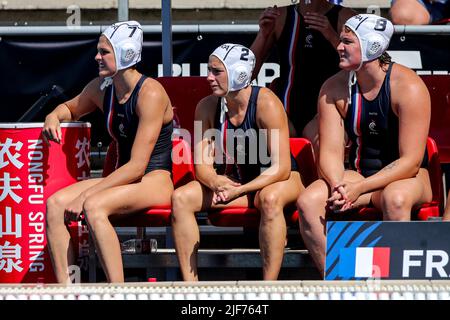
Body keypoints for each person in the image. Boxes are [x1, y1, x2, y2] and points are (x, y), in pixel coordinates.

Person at [296, 14, 432, 276]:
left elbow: (411, 161)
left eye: (347, 41)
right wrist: (341, 187)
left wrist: (360, 188)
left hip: (408, 178)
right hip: (357, 177)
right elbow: (330, 154)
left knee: (396, 198)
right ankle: (342, 280)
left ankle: (396, 287)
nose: (338, 46)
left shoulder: (408, 87)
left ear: (372, 47)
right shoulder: (333, 88)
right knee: (309, 202)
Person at [44, 20, 174, 283]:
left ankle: (117, 292)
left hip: (154, 179)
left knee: (93, 205)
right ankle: (67, 292)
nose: (97, 57)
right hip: (122, 178)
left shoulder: (150, 94)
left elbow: (138, 166)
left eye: (104, 52)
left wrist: (88, 193)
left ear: (126, 54)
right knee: (55, 205)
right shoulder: (102, 89)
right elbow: (70, 108)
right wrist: (53, 116)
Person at [171, 44, 304, 281]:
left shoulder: (266, 104)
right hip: (238, 183)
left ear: (239, 73)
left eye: (216, 71)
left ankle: (267, 290)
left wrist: (238, 190)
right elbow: (202, 165)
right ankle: (190, 288)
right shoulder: (207, 106)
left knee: (270, 199)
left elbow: (281, 167)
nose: (208, 77)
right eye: (209, 71)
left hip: (280, 178)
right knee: (181, 198)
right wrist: (215, 181)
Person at [250, 0, 355, 146]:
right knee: (261, 131)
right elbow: (247, 73)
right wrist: (263, 34)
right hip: (286, 110)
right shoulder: (280, 16)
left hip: (326, 109)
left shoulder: (346, 17)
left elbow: (360, 67)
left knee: (323, 143)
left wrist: (331, 35)